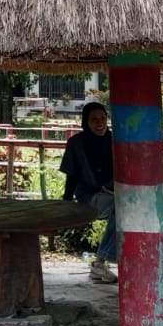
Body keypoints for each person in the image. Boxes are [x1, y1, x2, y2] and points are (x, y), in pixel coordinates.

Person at [60, 101, 117, 284]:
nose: (99, 122)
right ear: (86, 122)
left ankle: (101, 262)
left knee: (129, 207)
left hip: (116, 193)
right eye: (94, 119)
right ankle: (100, 262)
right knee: (122, 207)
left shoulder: (115, 140)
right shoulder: (76, 143)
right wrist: (67, 202)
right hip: (89, 196)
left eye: (102, 118)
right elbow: (72, 175)